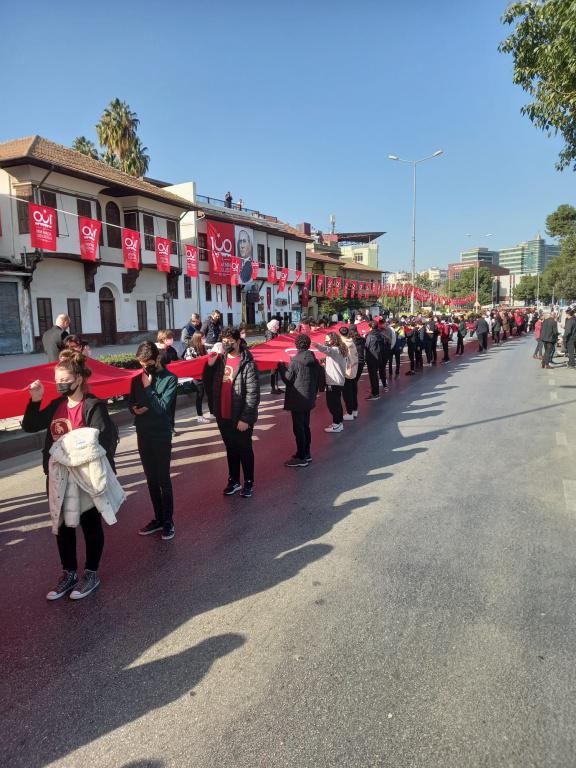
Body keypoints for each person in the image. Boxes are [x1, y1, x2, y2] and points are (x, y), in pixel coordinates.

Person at [22, 351, 121, 601]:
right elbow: (30, 425)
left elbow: (102, 441)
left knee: (89, 526)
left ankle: (91, 572)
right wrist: (35, 400)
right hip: (58, 478)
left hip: (83, 477)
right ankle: (68, 573)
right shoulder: (57, 405)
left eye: (64, 379)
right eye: (57, 380)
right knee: (63, 527)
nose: (60, 384)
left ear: (78, 378)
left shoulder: (93, 406)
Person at [129, 341, 178, 540]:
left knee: (163, 479)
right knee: (151, 479)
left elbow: (161, 408)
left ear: (156, 359)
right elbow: (130, 400)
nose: (143, 367)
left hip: (161, 434)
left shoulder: (170, 379)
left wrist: (149, 388)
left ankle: (168, 521)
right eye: (140, 363)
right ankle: (158, 518)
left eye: (146, 362)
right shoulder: (137, 378)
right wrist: (134, 408)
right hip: (143, 433)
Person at [204, 326, 260, 498]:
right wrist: (209, 367)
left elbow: (253, 394)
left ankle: (249, 481)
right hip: (223, 415)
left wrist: (246, 418)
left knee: (244, 449)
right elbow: (208, 385)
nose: (226, 343)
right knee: (231, 449)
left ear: (237, 342)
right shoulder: (220, 360)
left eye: (229, 341)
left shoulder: (247, 363)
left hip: (240, 416)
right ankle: (234, 480)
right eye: (223, 340)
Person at [277, 334, 322, 467]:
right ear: (308, 345)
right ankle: (306, 453)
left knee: (298, 428)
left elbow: (287, 379)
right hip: (308, 397)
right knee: (305, 426)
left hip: (297, 399)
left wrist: (281, 367)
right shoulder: (314, 359)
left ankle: (301, 456)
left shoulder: (295, 361)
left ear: (296, 345)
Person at [313, 331, 348, 433]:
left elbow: (326, 349)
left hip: (334, 381)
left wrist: (316, 345)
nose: (326, 341)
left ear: (333, 340)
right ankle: (338, 423)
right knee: (335, 403)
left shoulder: (335, 350)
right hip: (337, 380)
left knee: (333, 404)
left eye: (328, 340)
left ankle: (337, 424)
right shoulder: (339, 349)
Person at [184, 332, 212, 423]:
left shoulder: (203, 347)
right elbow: (189, 363)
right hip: (197, 377)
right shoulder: (191, 349)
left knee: (209, 394)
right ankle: (200, 416)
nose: (205, 339)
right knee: (200, 395)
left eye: (204, 337)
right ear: (197, 339)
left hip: (205, 375)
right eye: (203, 338)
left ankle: (212, 412)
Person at [157, 330, 179, 434]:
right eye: (169, 338)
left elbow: (177, 364)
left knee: (172, 405)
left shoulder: (172, 351)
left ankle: (171, 426)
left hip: (171, 383)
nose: (171, 340)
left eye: (171, 338)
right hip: (159, 383)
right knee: (162, 405)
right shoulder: (155, 351)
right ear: (162, 339)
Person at [339, 326, 359, 420]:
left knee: (347, 393)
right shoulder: (352, 342)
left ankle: (349, 412)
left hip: (347, 371)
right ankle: (354, 410)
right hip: (354, 369)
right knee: (354, 391)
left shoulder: (343, 344)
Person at [364, 321, 388, 400]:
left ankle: (375, 393)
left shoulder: (370, 335)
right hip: (380, 355)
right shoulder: (381, 333)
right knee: (380, 372)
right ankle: (383, 386)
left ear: (370, 327)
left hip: (372, 356)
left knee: (373, 375)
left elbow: (367, 346)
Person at [265, 319, 284, 394]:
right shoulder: (270, 333)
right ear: (274, 326)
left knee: (276, 371)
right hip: (272, 354)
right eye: (277, 325)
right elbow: (270, 343)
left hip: (276, 353)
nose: (278, 326)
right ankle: (273, 388)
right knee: (273, 371)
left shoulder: (274, 332)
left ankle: (276, 387)